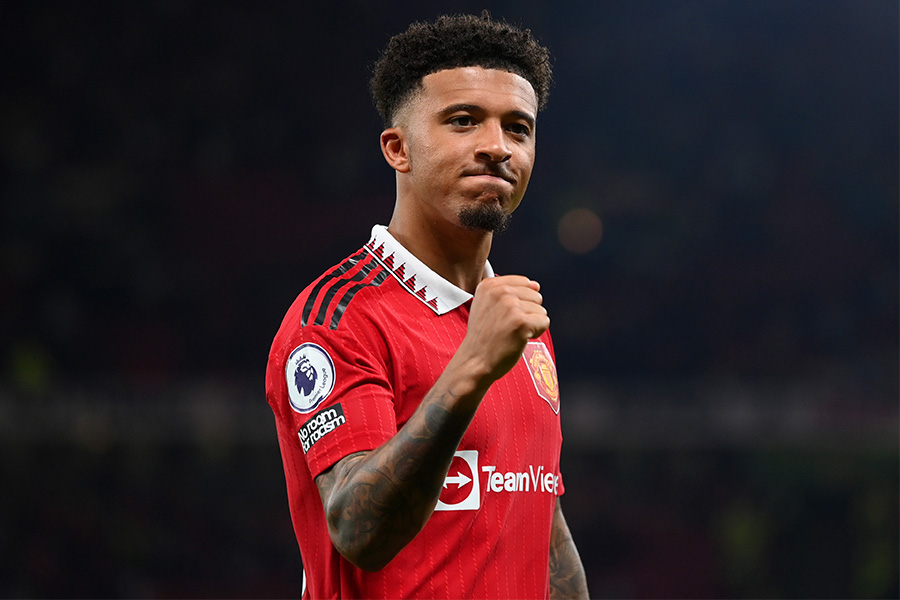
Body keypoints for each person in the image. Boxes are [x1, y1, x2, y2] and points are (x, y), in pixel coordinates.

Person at [266, 12, 589, 600]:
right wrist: (471, 367)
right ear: (398, 149)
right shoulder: (339, 318)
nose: (496, 147)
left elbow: (543, 526)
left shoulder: (518, 322)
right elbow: (359, 530)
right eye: (463, 121)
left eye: (518, 128)